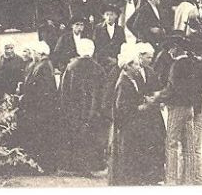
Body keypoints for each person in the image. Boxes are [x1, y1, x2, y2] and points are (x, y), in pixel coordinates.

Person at [109, 43, 166, 186]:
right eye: (134, 64)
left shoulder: (133, 79)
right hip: (128, 125)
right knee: (127, 155)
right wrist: (142, 106)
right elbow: (123, 108)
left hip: (137, 123)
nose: (137, 67)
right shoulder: (124, 82)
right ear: (127, 66)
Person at [157, 35, 202, 185]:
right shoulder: (193, 64)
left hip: (177, 107)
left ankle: (172, 179)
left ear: (176, 49)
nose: (170, 52)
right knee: (189, 146)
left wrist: (157, 97)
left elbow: (172, 89)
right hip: (190, 108)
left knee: (171, 144)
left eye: (171, 48)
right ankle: (189, 179)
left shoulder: (176, 66)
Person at [60, 37, 109, 175]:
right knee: (92, 138)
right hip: (93, 111)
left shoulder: (71, 67)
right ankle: (94, 166)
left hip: (75, 111)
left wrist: (66, 110)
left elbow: (65, 92)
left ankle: (75, 166)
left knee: (76, 136)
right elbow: (103, 92)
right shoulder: (98, 69)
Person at [18, 43, 63, 174]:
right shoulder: (43, 65)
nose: (33, 55)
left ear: (40, 53)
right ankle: (44, 165)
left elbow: (39, 90)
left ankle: (45, 166)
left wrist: (25, 97)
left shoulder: (43, 66)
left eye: (34, 52)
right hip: (40, 108)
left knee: (42, 138)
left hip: (40, 110)